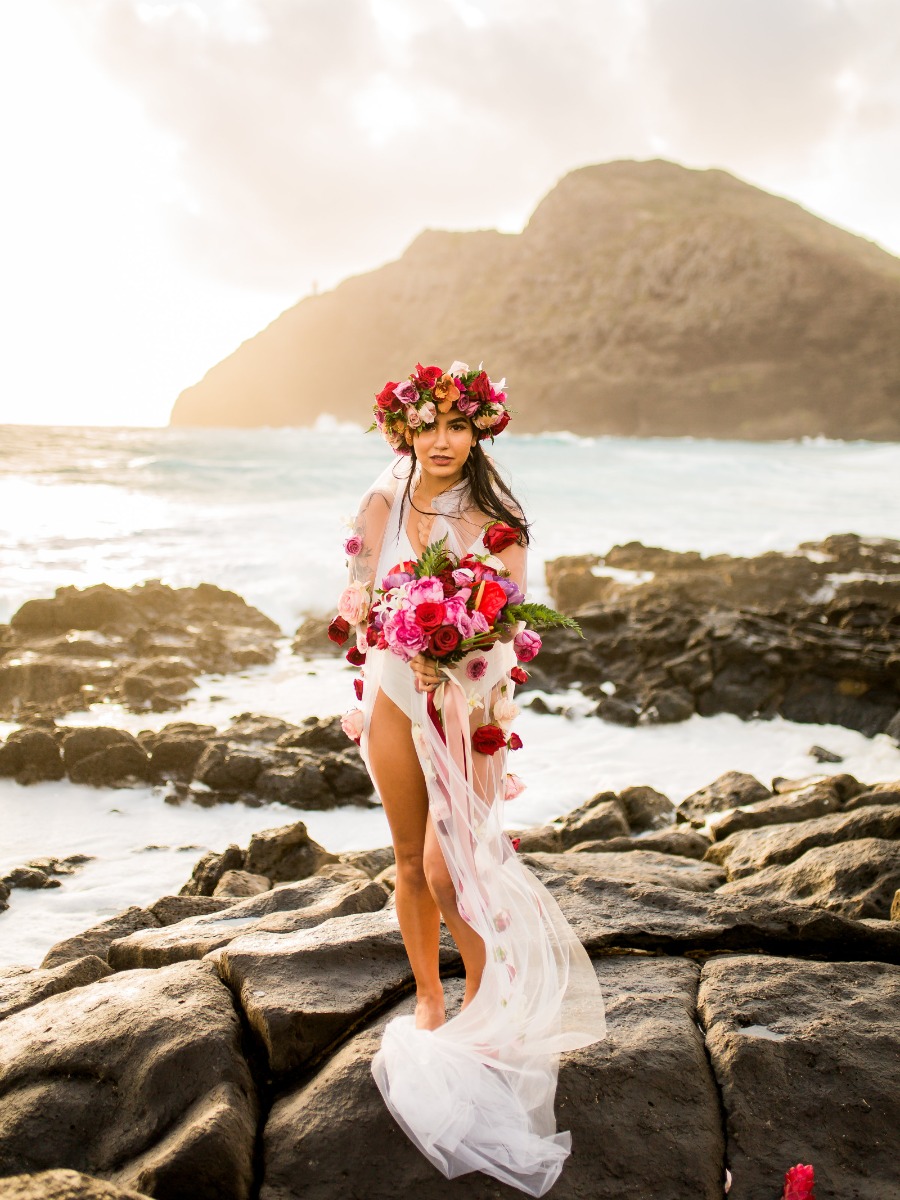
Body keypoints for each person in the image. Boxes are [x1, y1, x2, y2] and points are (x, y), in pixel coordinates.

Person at [335, 362, 605, 1197]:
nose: (443, 441)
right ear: (404, 432)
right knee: (411, 859)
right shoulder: (383, 501)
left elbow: (515, 614)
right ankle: (427, 999)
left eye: (458, 426)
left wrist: (456, 642)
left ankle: (485, 1007)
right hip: (390, 685)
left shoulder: (500, 514)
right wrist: (381, 611)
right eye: (429, 427)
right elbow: (355, 598)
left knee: (461, 865)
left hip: (468, 695)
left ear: (480, 429)